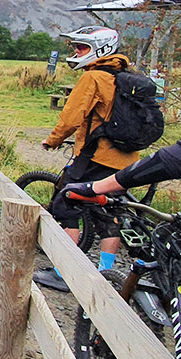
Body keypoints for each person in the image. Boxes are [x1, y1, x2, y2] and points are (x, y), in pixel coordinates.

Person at [33, 26, 139, 293]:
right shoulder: (130, 78)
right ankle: (105, 274)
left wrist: (53, 140)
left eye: (82, 48)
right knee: (109, 214)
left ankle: (64, 273)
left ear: (101, 49)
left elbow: (71, 117)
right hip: (126, 160)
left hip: (95, 156)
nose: (77, 52)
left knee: (66, 203)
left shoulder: (93, 78)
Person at [63, 104, 181, 197]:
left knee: (66, 204)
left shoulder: (93, 77)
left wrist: (96, 187)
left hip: (99, 156)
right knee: (111, 218)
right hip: (128, 157)